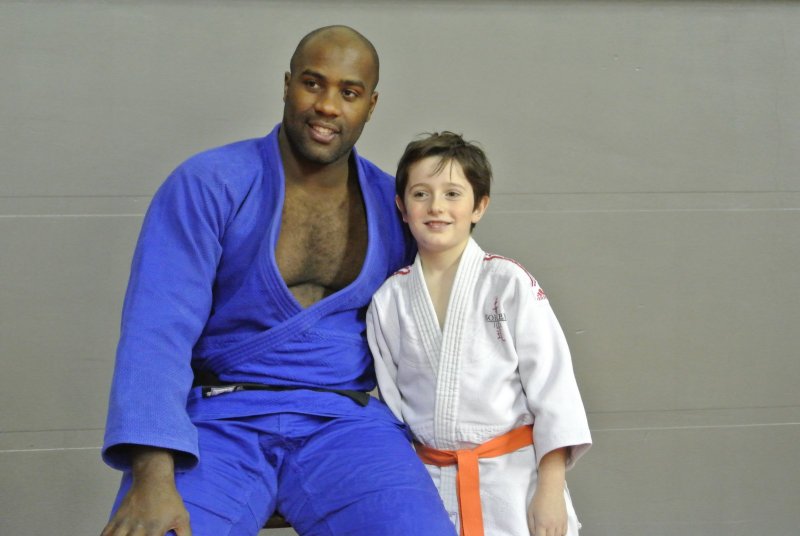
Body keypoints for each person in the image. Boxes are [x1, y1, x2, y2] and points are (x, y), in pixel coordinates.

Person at [100, 26, 456, 536]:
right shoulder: (210, 183)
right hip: (219, 419)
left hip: (345, 422)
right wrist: (152, 477)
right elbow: (156, 332)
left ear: (370, 105)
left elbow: (444, 324)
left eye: (349, 92)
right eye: (313, 83)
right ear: (287, 85)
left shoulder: (394, 205)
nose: (327, 105)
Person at [366, 132, 593, 536]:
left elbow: (554, 392)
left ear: (479, 206)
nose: (436, 207)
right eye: (420, 194)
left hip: (514, 483)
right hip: (427, 484)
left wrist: (550, 491)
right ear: (402, 206)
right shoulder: (389, 300)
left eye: (453, 194)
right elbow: (392, 412)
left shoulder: (507, 283)